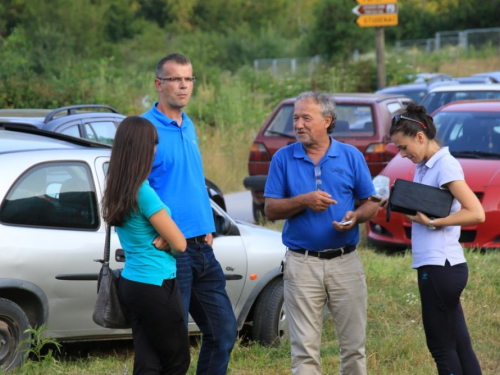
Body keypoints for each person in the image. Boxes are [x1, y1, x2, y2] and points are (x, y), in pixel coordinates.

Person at [264, 91, 379, 375]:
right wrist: (305, 200)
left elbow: (371, 204)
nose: (299, 124)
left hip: (346, 262)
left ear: (327, 121)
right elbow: (271, 210)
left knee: (353, 347)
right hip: (302, 263)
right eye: (296, 118)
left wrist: (356, 216)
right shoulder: (283, 158)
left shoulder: (350, 156)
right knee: (304, 351)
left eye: (306, 118)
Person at [142, 53, 237, 374]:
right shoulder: (145, 129)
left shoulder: (189, 124)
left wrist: (207, 226)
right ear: (159, 84)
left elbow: (189, 180)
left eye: (189, 79)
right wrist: (157, 234)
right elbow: (131, 189)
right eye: (175, 79)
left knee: (223, 332)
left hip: (202, 247)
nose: (184, 86)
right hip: (170, 252)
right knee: (171, 343)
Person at [383, 104, 485, 375]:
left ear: (420, 136)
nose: (403, 155)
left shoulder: (445, 165)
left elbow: (476, 213)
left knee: (441, 347)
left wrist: (433, 223)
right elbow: (429, 202)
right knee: (459, 345)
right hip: (439, 266)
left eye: (404, 147)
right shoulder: (425, 165)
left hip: (442, 266)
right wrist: (392, 201)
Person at [102, 116, 190, 375]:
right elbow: (181, 244)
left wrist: (168, 240)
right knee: (177, 360)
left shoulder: (118, 187)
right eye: (152, 144)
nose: (155, 150)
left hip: (132, 284)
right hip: (156, 283)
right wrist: (169, 243)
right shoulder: (143, 192)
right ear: (140, 149)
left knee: (148, 361)